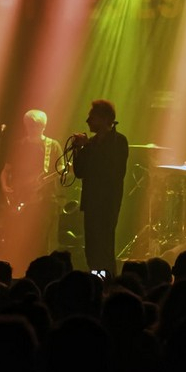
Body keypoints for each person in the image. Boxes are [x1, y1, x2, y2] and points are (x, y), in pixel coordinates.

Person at [72, 99, 129, 276]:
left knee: (104, 244)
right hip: (91, 202)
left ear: (104, 119)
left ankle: (106, 280)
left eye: (92, 117)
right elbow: (80, 172)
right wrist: (77, 150)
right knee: (91, 245)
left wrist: (88, 147)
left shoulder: (118, 141)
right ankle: (95, 278)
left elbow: (113, 170)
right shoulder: (92, 144)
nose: (87, 121)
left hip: (107, 203)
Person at [0, 109, 67, 256]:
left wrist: (64, 171)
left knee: (43, 239)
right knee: (21, 239)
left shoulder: (52, 146)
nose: (32, 128)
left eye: (36, 125)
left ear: (44, 126)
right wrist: (5, 186)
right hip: (21, 199)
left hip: (45, 200)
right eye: (29, 125)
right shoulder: (19, 145)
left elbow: (61, 169)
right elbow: (5, 171)